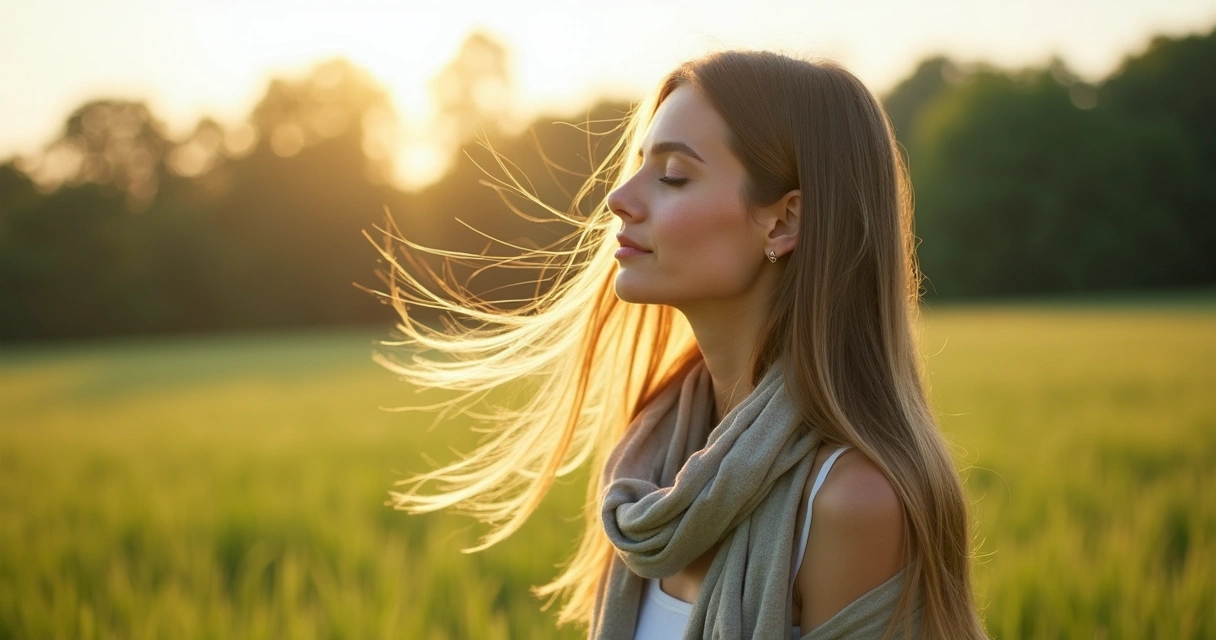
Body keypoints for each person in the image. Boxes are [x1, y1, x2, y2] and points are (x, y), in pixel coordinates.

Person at [376, 49, 987, 639]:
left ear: (783, 221)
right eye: (640, 165)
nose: (620, 198)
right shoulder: (652, 460)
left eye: (672, 176)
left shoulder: (851, 501)